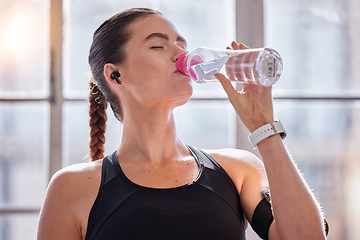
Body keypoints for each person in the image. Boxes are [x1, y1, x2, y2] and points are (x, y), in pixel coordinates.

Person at [37, 8, 328, 240]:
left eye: (181, 44)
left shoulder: (237, 170)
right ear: (115, 76)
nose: (181, 55)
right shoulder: (71, 188)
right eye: (157, 46)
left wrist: (263, 127)